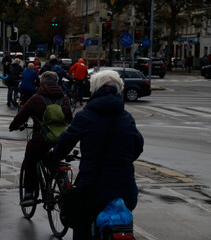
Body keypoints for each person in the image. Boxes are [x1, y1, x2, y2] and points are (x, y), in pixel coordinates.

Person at [52, 69, 144, 239]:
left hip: (93, 189)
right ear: (119, 90)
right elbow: (138, 146)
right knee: (123, 222)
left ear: (94, 90)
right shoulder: (126, 117)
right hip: (125, 189)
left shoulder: (85, 116)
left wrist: (55, 154)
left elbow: (65, 141)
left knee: (81, 225)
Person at [9, 71, 72, 206]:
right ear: (56, 82)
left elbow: (22, 115)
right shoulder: (64, 99)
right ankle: (58, 181)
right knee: (54, 159)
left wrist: (13, 126)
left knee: (30, 160)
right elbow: (69, 119)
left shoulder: (36, 98)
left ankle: (29, 194)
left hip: (40, 140)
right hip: (61, 141)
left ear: (42, 82)